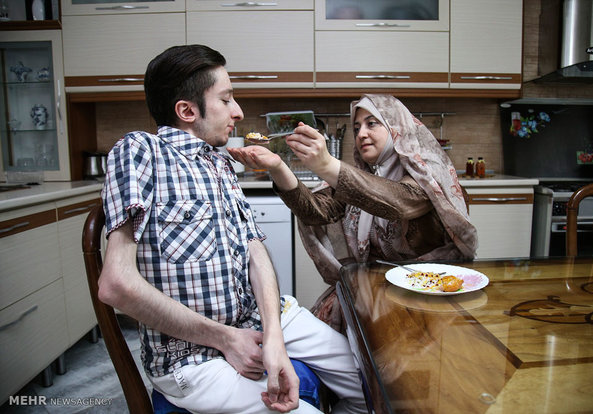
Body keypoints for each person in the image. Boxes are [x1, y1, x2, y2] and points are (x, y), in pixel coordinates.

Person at [98, 44, 366, 414]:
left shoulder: (220, 162)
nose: (237, 111)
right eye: (226, 99)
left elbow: (255, 249)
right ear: (187, 111)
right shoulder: (142, 151)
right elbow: (116, 284)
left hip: (263, 317)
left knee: (373, 379)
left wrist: (274, 337)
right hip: (191, 355)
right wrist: (226, 339)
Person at [229, 94, 478, 331]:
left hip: (426, 295)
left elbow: (398, 201)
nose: (361, 134)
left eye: (372, 124)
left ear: (396, 128)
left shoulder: (427, 176)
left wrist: (326, 164)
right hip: (372, 290)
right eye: (357, 128)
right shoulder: (362, 178)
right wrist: (277, 167)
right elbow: (317, 212)